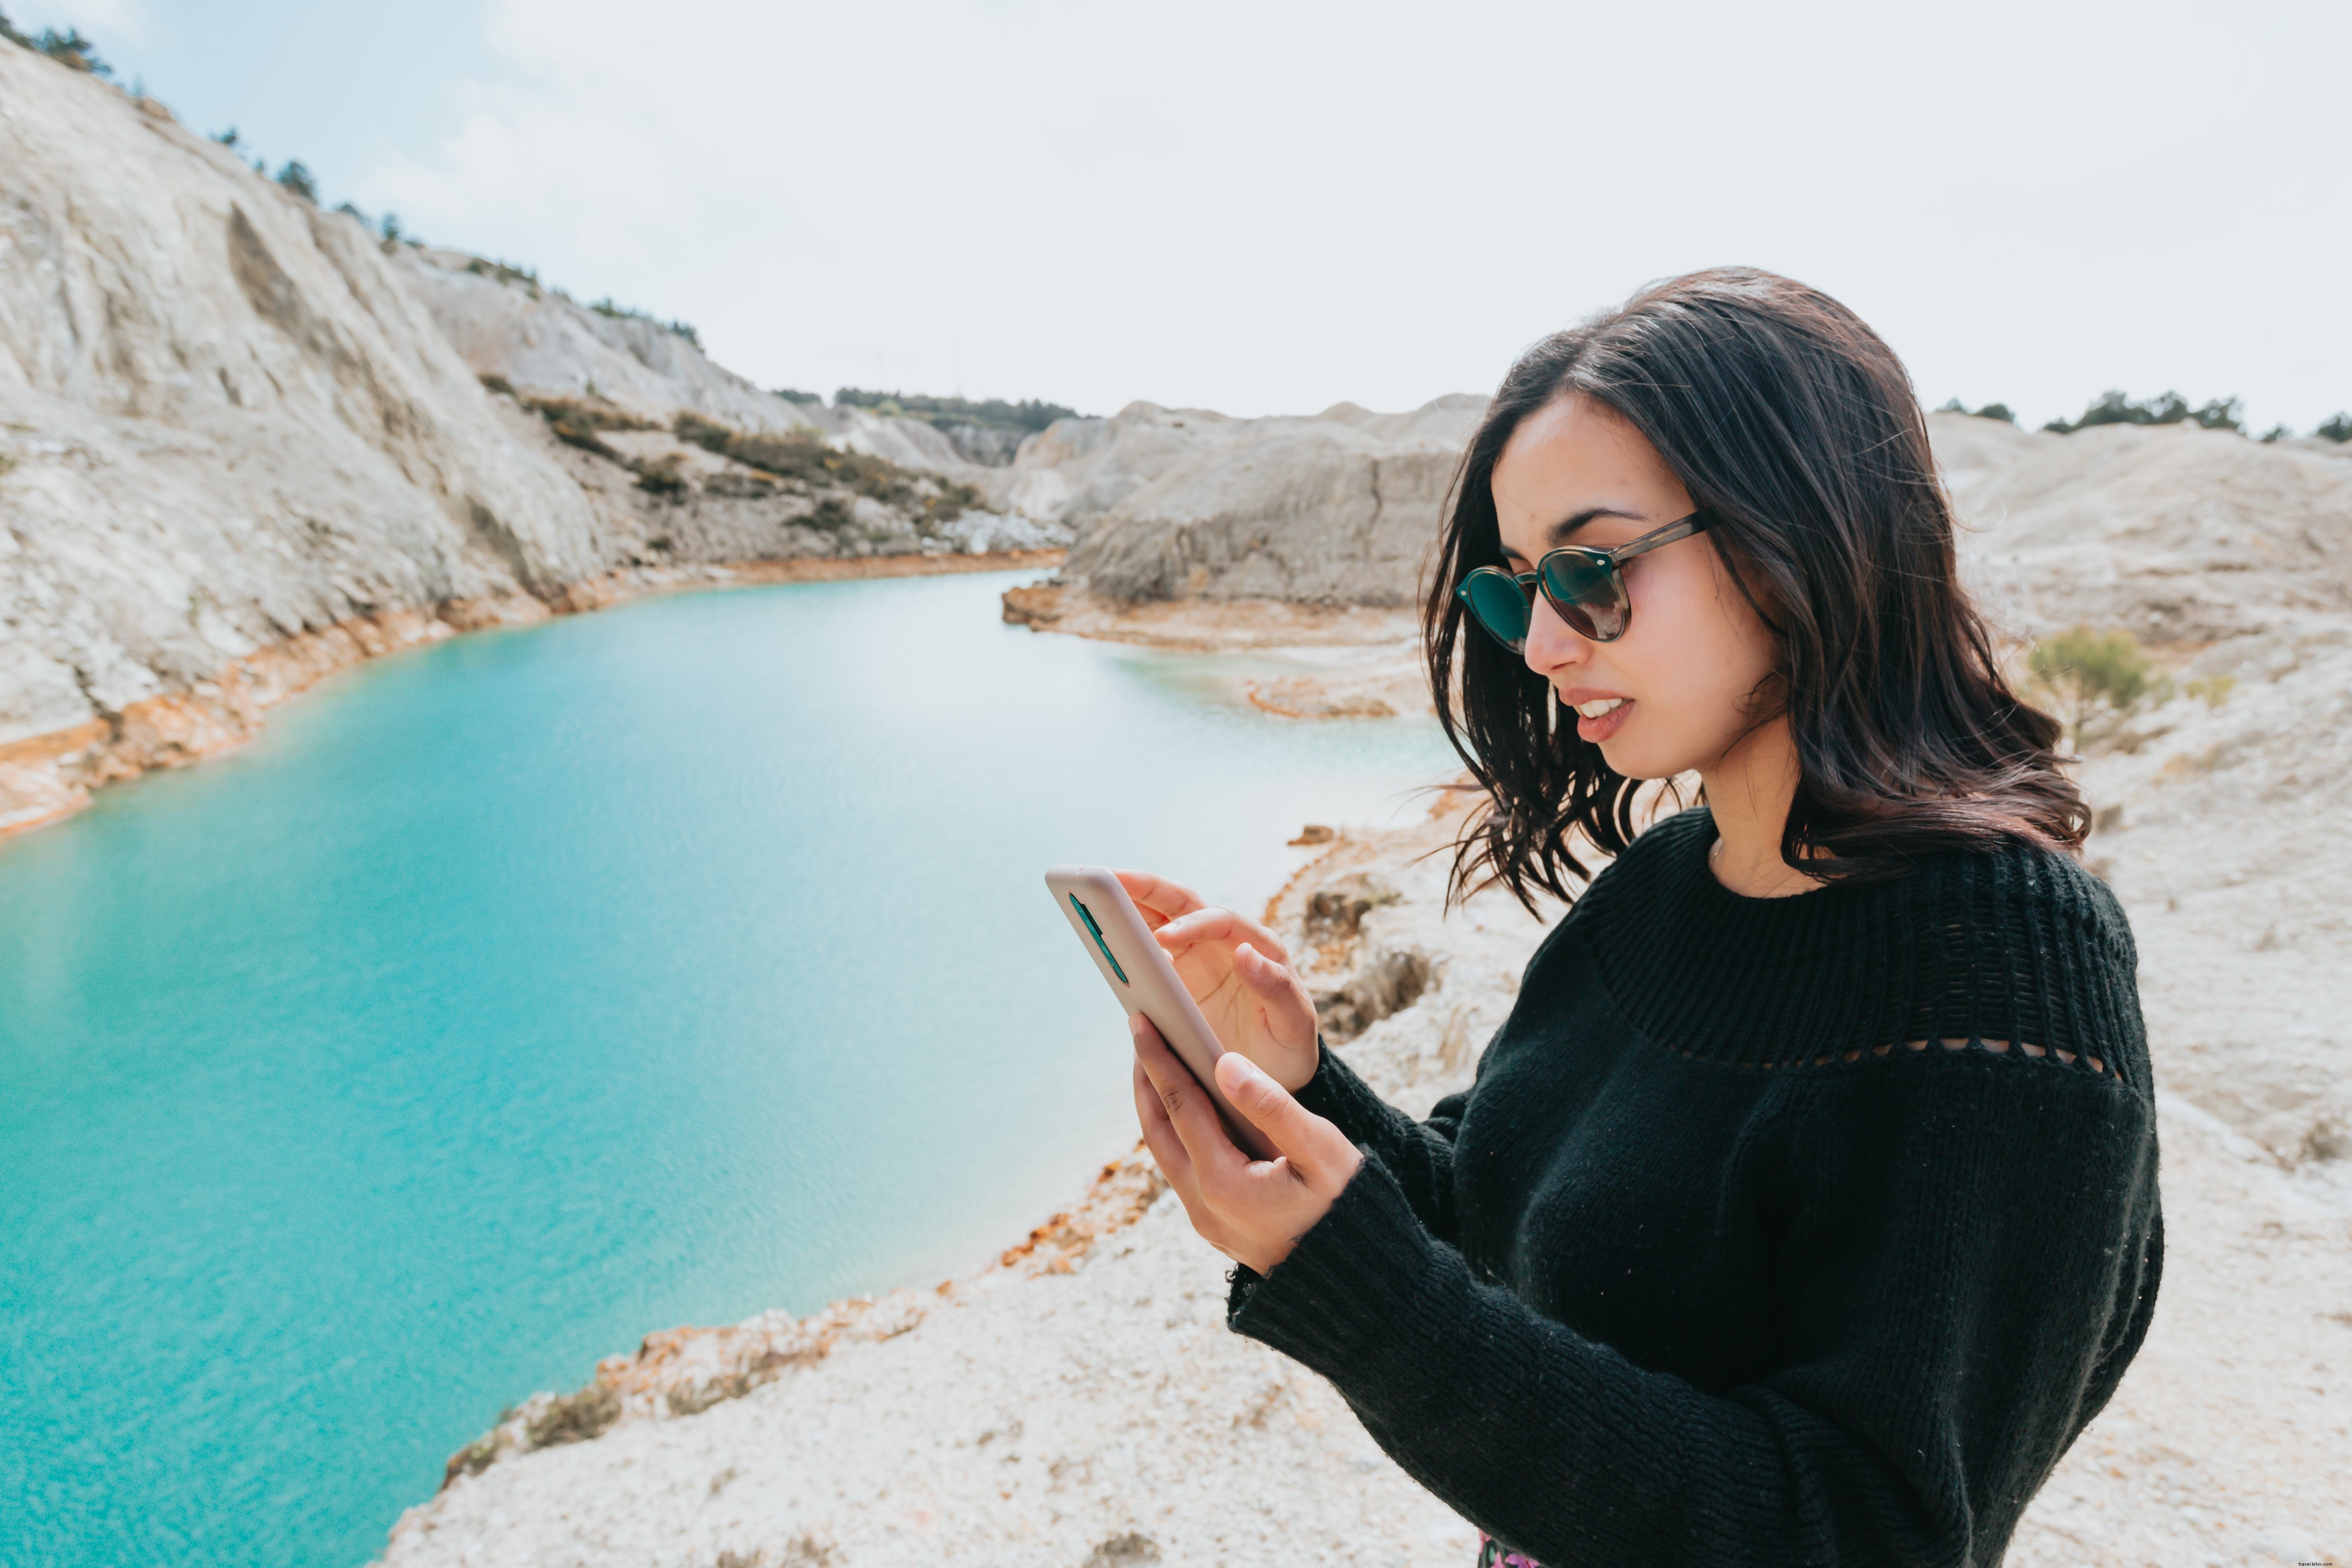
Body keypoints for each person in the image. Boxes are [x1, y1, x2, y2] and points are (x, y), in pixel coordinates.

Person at [1118, 268, 2163, 1567]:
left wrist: (1362, 1289)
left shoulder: (2011, 987)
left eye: (1593, 573)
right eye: (1514, 592)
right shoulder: (1667, 886)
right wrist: (1298, 1090)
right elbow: (1528, 1232)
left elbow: (1864, 1530)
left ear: (1804, 533)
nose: (1543, 648)